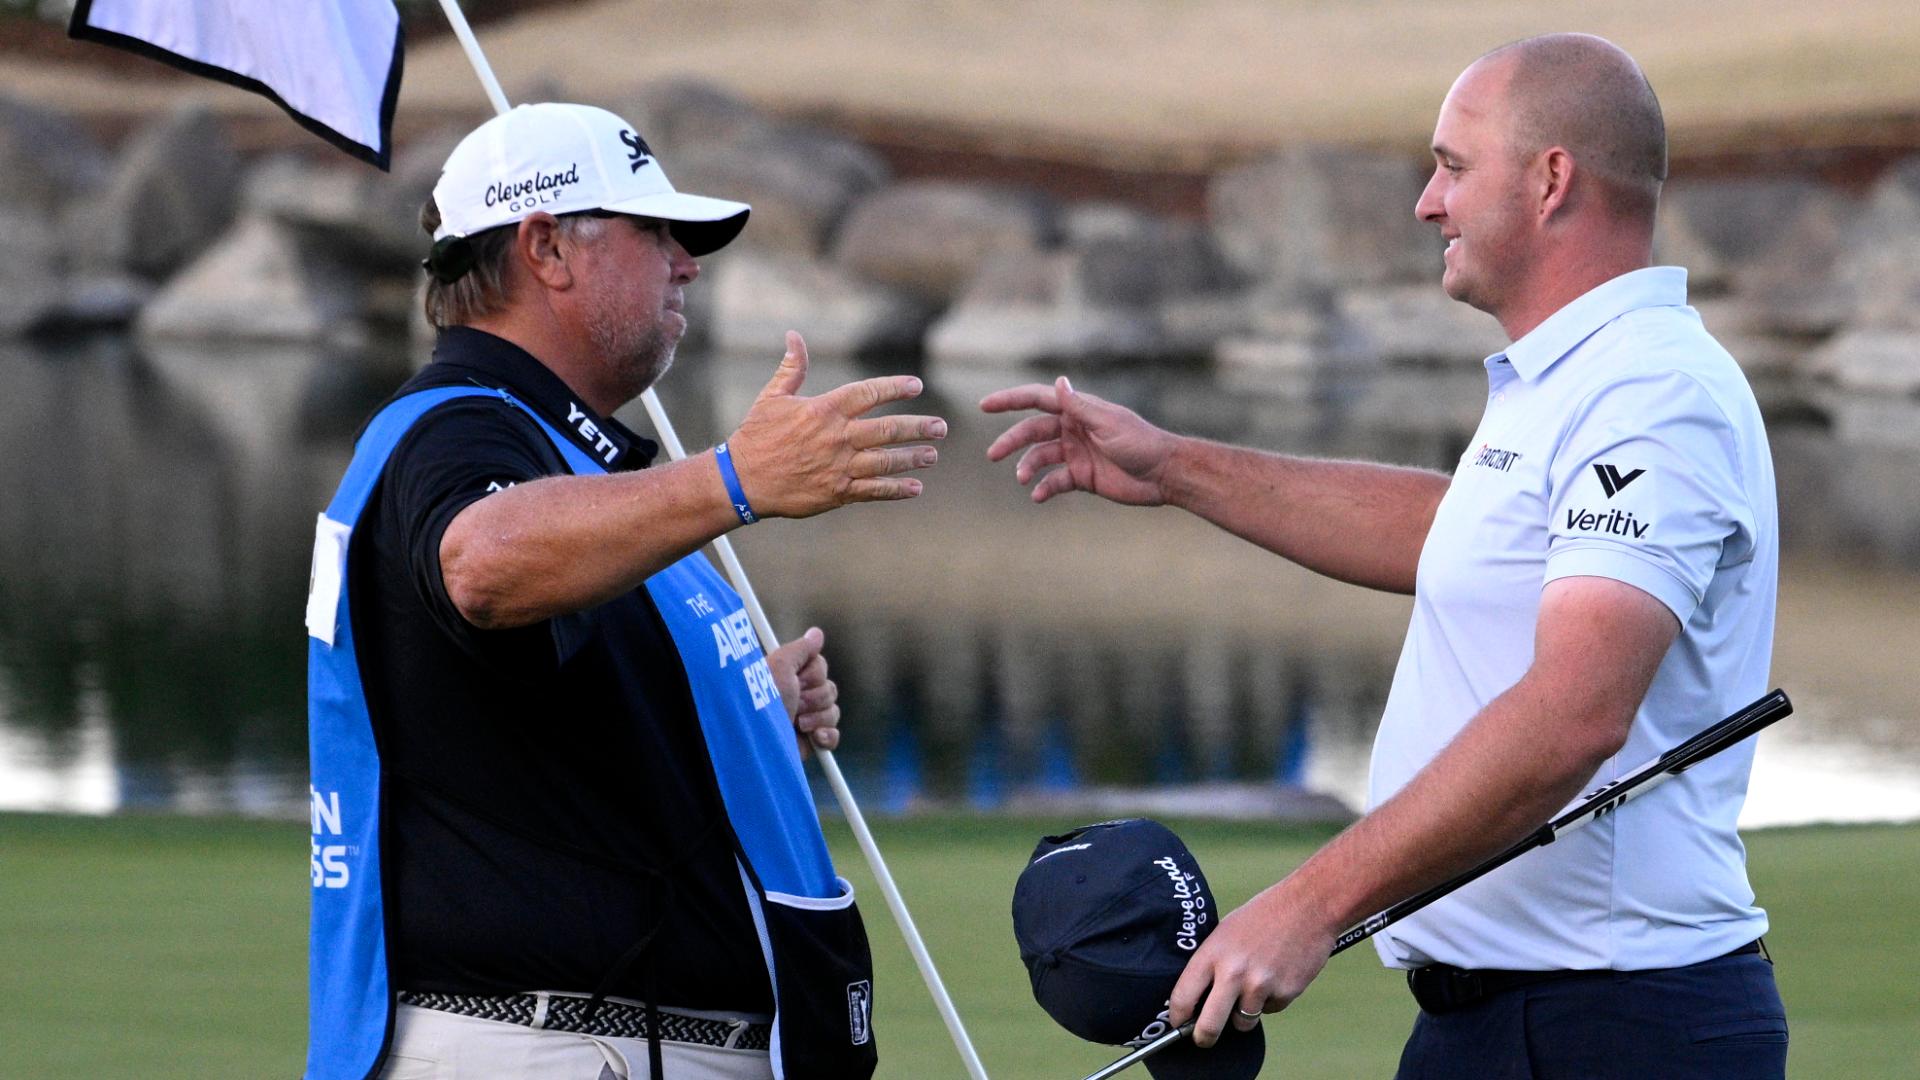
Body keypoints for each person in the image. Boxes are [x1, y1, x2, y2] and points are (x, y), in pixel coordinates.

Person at [982, 33, 1785, 1079]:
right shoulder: (1574, 380)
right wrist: (1177, 467)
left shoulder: (1650, 395)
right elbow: (1458, 537)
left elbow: (1578, 710)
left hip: (1613, 1023)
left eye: (1453, 166)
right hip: (1495, 1021)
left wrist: (1308, 906)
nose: (1425, 201)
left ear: (1550, 182)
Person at [304, 102, 944, 1080]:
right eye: (656, 235)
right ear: (548, 249)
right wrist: (734, 480)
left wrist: (737, 712)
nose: (687, 264)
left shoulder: (552, 454)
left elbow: (526, 729)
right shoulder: (461, 430)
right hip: (559, 1050)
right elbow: (479, 562)